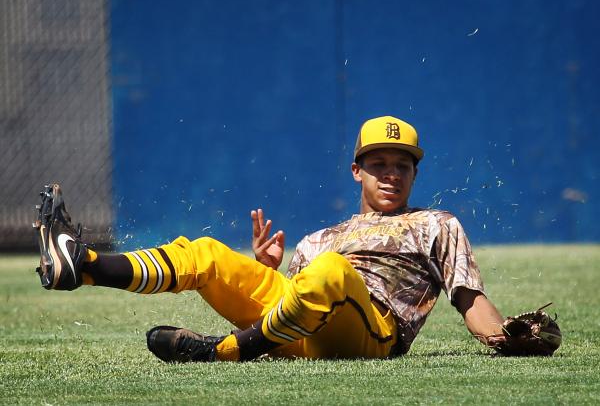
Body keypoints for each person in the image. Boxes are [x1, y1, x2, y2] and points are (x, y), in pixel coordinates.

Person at [33, 115, 509, 362]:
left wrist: (504, 338)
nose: (391, 174)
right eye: (379, 164)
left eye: (402, 165)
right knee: (206, 253)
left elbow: (469, 297)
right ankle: (86, 265)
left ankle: (224, 351)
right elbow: (292, 304)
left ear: (415, 173)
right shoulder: (321, 238)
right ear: (356, 171)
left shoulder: (437, 223)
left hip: (372, 333)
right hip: (298, 328)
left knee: (330, 273)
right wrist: (264, 271)